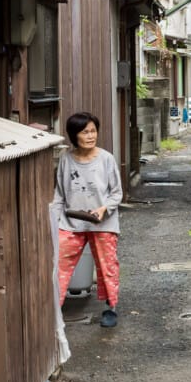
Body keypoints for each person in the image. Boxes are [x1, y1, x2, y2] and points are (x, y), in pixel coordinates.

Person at [53, 112, 124, 328]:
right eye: (85, 132)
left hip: (103, 222)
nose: (91, 136)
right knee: (59, 264)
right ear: (74, 135)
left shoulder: (106, 159)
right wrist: (55, 219)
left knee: (107, 265)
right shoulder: (66, 159)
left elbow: (116, 193)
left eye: (93, 131)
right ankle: (54, 310)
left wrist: (105, 209)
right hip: (70, 222)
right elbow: (59, 193)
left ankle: (110, 307)